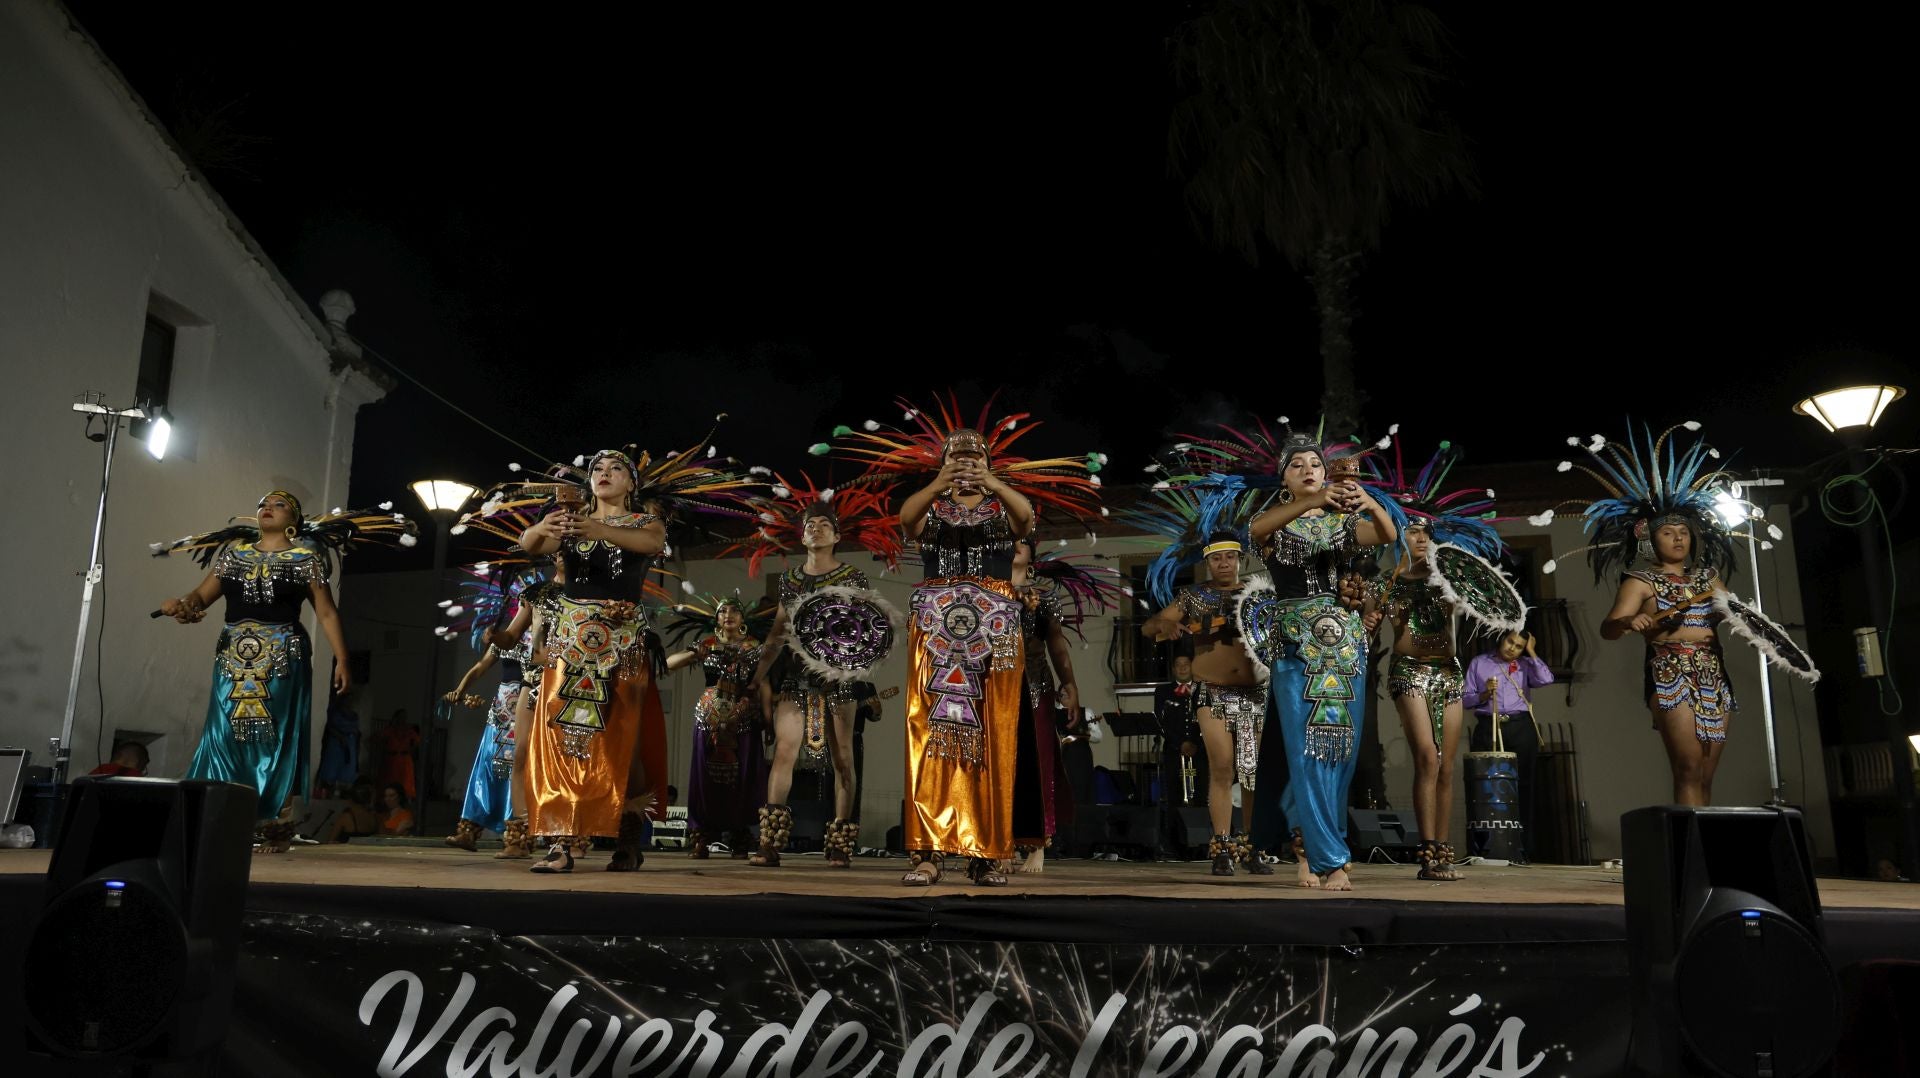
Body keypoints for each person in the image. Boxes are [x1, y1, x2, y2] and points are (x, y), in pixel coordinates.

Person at [155, 491, 415, 852]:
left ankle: (272, 821)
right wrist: (181, 605)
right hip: (233, 655)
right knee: (223, 734)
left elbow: (326, 612)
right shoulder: (233, 557)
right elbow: (200, 598)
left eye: (278, 505)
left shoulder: (305, 559)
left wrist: (342, 660)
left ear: (294, 521)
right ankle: (213, 813)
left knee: (271, 735)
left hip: (280, 656)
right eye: (262, 503)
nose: (267, 507)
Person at [1553, 422, 1743, 806]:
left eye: (1683, 532)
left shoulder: (1709, 577)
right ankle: (1688, 849)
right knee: (1687, 767)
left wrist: (1732, 615)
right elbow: (1609, 627)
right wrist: (1630, 621)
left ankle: (1703, 847)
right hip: (1670, 671)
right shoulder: (1641, 581)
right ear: (1651, 539)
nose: (1678, 538)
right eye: (1669, 532)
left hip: (1713, 671)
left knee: (1707, 772)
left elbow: (1733, 613)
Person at [1245, 431, 1398, 891]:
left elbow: (1388, 535)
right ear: (1285, 480)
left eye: (1315, 462)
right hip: (1296, 644)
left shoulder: (1340, 524)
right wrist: (1312, 500)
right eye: (1298, 465)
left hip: (1345, 646)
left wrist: (1368, 501)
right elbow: (1255, 532)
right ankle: (1329, 858)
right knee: (1307, 750)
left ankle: (1317, 848)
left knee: (1339, 753)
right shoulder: (1273, 522)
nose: (1309, 468)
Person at [515, 450, 672, 874]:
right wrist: (540, 527)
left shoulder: (644, 522)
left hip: (623, 642)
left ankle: (627, 838)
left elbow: (652, 544)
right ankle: (560, 842)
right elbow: (531, 546)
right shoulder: (569, 522)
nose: (604, 474)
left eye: (615, 469)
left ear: (632, 485)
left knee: (624, 741)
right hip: (570, 641)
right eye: (597, 469)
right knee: (563, 736)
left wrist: (596, 527)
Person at [746, 505, 877, 868]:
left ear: (837, 537)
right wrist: (758, 675)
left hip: (839, 678)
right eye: (810, 525)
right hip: (796, 678)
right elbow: (777, 634)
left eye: (824, 525)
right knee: (785, 752)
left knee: (843, 759)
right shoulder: (789, 582)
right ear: (802, 536)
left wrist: (849, 668)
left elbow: (867, 630)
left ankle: (838, 843)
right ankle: (769, 844)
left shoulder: (853, 576)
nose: (816, 530)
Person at [1142, 529, 1270, 878]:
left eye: (1230, 556)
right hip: (1211, 692)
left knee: (1252, 773)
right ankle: (1223, 846)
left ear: (1240, 559)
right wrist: (1164, 625)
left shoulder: (1259, 593)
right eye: (1216, 558)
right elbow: (1150, 627)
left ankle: (1252, 844)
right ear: (1207, 562)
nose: (1224, 563)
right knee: (1223, 766)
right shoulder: (1193, 596)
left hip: (1255, 694)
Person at [665, 594, 768, 860]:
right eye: (723, 611)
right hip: (708, 717)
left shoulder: (756, 647)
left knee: (741, 777)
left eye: (734, 611)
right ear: (716, 618)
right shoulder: (707, 644)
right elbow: (669, 664)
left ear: (743, 619)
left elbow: (764, 685)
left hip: (743, 718)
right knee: (704, 777)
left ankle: (739, 836)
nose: (728, 615)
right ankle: (701, 837)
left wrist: (769, 720)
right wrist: (693, 653)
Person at [441, 592, 539, 851]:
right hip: (501, 712)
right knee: (485, 768)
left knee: (518, 772)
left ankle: (518, 837)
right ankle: (469, 831)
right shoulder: (504, 639)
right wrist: (460, 690)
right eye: (522, 603)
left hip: (529, 708)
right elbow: (480, 667)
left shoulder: (542, 638)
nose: (524, 607)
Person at [1461, 631, 1553, 864]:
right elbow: (1465, 699)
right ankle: (1482, 848)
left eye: (1519, 646)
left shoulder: (1524, 665)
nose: (1513, 648)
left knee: (1523, 787)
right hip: (1488, 725)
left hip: (1519, 726)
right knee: (1483, 786)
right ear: (1501, 639)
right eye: (1510, 642)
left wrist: (1532, 652)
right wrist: (1485, 693)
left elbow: (1546, 679)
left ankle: (1522, 849)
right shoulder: (1479, 663)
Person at [316, 690, 362, 793]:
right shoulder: (335, 713)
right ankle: (327, 789)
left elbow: (357, 730)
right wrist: (340, 736)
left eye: (352, 700)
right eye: (348, 699)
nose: (350, 702)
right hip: (336, 742)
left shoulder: (354, 715)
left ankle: (342, 790)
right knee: (332, 765)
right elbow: (329, 726)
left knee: (348, 766)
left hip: (350, 743)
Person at [374, 709, 420, 803]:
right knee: (390, 779)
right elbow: (377, 738)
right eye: (400, 717)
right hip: (392, 758)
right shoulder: (390, 729)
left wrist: (410, 749)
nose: (402, 719)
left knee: (405, 781)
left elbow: (417, 741)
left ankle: (406, 800)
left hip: (404, 758)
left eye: (404, 717)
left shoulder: (408, 730)